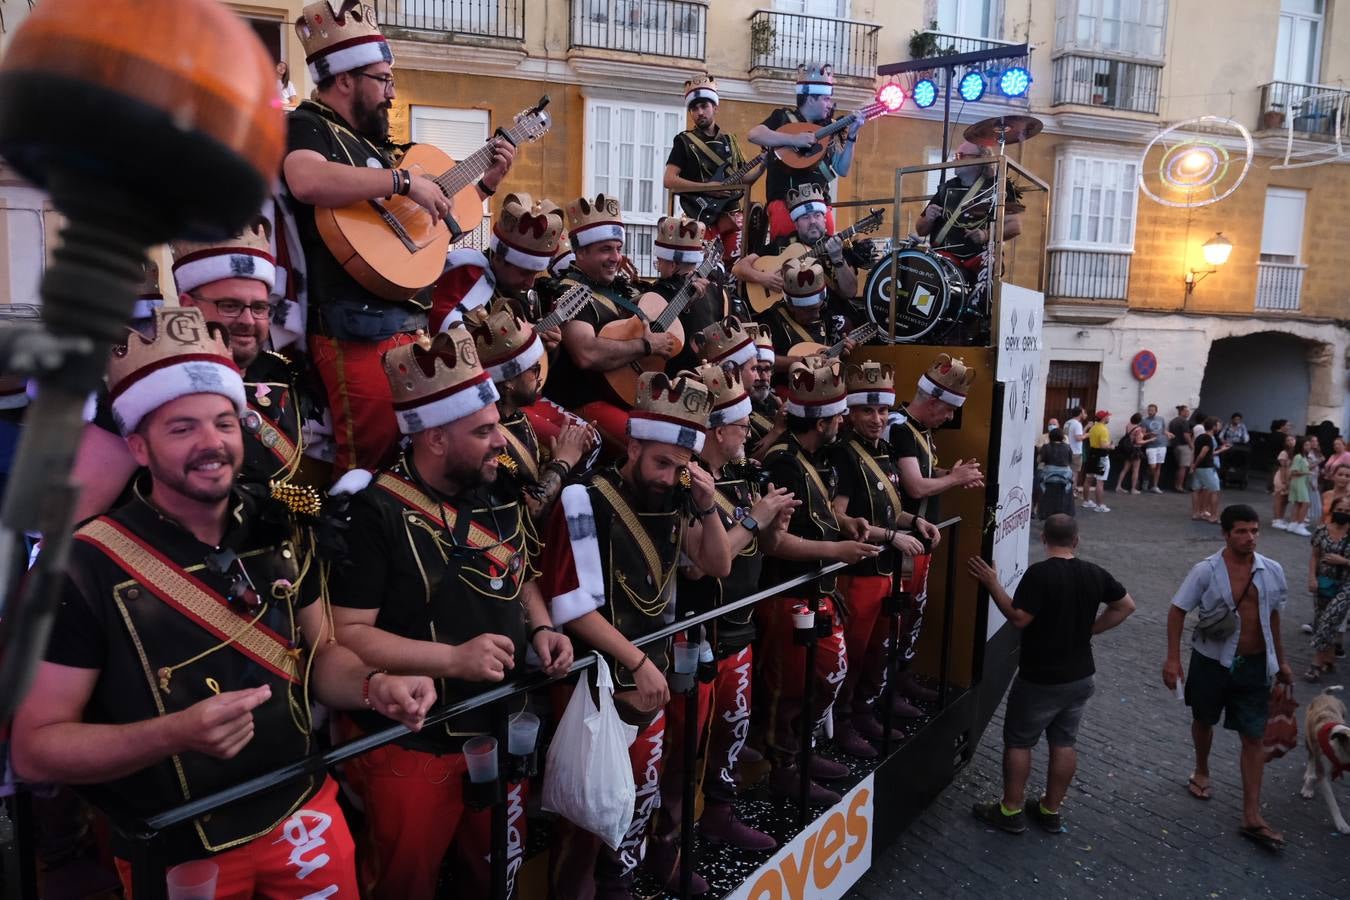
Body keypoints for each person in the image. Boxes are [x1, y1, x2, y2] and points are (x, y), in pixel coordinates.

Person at [9, 308, 435, 897]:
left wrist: (375, 687)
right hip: (180, 848)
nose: (212, 444)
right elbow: (34, 751)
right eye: (181, 428)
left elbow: (323, 657)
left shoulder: (282, 524)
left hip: (302, 815)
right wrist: (173, 734)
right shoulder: (83, 566)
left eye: (224, 424)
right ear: (136, 444)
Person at [326, 327, 572, 899]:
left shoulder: (499, 484)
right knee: (404, 886)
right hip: (414, 746)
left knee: (493, 877)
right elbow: (348, 634)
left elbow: (521, 572)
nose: (501, 443)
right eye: (484, 431)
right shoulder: (372, 511)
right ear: (434, 438)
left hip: (499, 728)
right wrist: (453, 659)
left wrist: (540, 627)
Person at [282, 1, 515, 472]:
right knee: (369, 460)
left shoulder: (383, 148)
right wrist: (404, 183)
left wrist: (485, 185)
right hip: (352, 332)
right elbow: (305, 179)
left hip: (408, 328)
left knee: (413, 460)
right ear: (345, 79)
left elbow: (421, 234)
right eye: (382, 79)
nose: (391, 92)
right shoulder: (307, 125)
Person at [537, 370, 731, 899]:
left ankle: (622, 878)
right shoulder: (584, 499)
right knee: (584, 815)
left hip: (647, 678)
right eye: (661, 462)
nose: (669, 476)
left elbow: (717, 564)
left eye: (681, 465)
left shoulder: (678, 497)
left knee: (637, 794)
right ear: (636, 443)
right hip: (598, 684)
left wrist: (709, 505)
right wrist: (641, 663)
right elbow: (572, 607)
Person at [645, 361, 798, 888]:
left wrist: (773, 521)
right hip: (696, 631)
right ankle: (665, 850)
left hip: (737, 622)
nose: (747, 433)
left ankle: (716, 816)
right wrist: (753, 519)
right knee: (684, 751)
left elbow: (762, 544)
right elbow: (698, 564)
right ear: (714, 428)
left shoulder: (739, 473)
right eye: (740, 425)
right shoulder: (687, 483)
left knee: (727, 731)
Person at [758, 356, 884, 803]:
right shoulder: (784, 462)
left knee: (821, 677)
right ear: (822, 419)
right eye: (837, 415)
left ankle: (799, 755)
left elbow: (821, 513)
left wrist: (846, 524)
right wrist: (840, 551)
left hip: (814, 588)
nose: (842, 421)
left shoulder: (810, 455)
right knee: (791, 687)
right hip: (788, 592)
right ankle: (782, 769)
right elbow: (777, 543)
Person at [967, 515, 1135, 834]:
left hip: (1040, 677)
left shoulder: (1040, 574)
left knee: (1019, 742)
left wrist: (992, 583)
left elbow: (1018, 617)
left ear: (1044, 539)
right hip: (1081, 675)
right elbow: (1126, 606)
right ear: (1076, 540)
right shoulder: (1094, 573)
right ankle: (1050, 809)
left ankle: (1011, 809)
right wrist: (1091, 629)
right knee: (1064, 742)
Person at [1163, 504, 1294, 851]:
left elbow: (1274, 617)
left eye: (1254, 531)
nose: (1249, 537)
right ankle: (1201, 769)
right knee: (1203, 719)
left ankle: (1251, 815)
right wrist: (1173, 659)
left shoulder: (1272, 571)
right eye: (1241, 531)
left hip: (1254, 666)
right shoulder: (1205, 570)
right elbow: (1177, 610)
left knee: (1253, 736)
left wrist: (1281, 661)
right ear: (1225, 533)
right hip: (1210, 661)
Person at [830, 362, 941, 751]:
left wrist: (915, 522)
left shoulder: (887, 449)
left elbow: (888, 505)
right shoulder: (844, 454)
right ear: (852, 413)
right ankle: (843, 722)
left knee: (880, 647)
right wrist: (891, 535)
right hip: (860, 570)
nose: (877, 419)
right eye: (867, 411)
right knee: (854, 654)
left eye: (881, 411)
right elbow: (839, 516)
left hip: (886, 569)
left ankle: (865, 711)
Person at [542, 193, 676, 454]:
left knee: (680, 433)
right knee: (652, 450)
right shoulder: (570, 293)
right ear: (580, 251)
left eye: (617, 248)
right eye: (605, 249)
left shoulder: (614, 291)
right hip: (585, 403)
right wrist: (645, 347)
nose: (616, 257)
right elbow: (586, 354)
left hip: (621, 397)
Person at [887, 354, 984, 708]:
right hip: (900, 541)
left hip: (918, 539)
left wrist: (948, 474)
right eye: (946, 411)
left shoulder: (919, 430)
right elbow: (913, 487)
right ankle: (886, 690)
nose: (950, 418)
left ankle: (901, 678)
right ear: (931, 402)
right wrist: (953, 479)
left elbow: (924, 473)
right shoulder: (899, 428)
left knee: (913, 613)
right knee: (895, 618)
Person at [470, 298, 598, 524]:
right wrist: (563, 462)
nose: (540, 376)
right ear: (508, 382)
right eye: (534, 369)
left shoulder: (514, 414)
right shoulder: (488, 435)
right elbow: (532, 509)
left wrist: (566, 452)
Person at [745, 63, 861, 239]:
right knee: (786, 260)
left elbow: (842, 170)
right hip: (784, 205)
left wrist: (852, 137)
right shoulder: (782, 117)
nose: (830, 105)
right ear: (811, 98)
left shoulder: (829, 128)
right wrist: (793, 139)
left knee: (824, 258)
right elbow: (754, 134)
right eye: (825, 99)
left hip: (820, 208)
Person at [664, 74, 763, 260]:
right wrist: (710, 189)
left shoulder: (731, 141)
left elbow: (743, 180)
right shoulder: (683, 141)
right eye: (694, 108)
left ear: (715, 107)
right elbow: (669, 180)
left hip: (734, 217)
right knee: (704, 271)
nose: (699, 112)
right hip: (701, 218)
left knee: (735, 271)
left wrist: (763, 166)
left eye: (704, 106)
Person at [915, 141, 1023, 285]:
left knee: (990, 262)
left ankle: (979, 304)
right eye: (955, 155)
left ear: (979, 159)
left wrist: (986, 235)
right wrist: (928, 218)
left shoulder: (998, 187)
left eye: (960, 155)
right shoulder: (947, 188)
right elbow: (920, 230)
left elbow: (1015, 226)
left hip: (978, 256)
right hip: (945, 256)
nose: (955, 160)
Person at [644, 214, 723, 375]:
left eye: (659, 261)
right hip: (705, 375)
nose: (658, 268)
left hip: (667, 378)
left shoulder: (659, 292)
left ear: (672, 265)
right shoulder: (715, 291)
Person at [1305, 495, 1350, 681]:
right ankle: (1329, 658)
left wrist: (1344, 561)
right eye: (1340, 510)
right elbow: (1314, 556)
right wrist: (1312, 577)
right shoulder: (1322, 531)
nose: (1343, 514)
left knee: (1330, 618)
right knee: (1322, 619)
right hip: (1323, 581)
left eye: (1347, 512)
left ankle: (1315, 663)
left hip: (1346, 585)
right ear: (1333, 510)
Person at [1190, 416, 1221, 522]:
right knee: (1214, 490)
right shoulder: (1208, 438)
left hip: (1199, 468)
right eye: (1217, 425)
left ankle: (1195, 513)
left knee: (1196, 489)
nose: (1219, 426)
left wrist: (1193, 465)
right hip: (1206, 467)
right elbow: (1202, 454)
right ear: (1213, 427)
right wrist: (1195, 464)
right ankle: (1213, 516)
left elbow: (1196, 452)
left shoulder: (1199, 437)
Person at [1038, 428, 1074, 519]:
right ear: (1062, 437)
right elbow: (1070, 461)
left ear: (1050, 437)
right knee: (1064, 499)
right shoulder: (1067, 447)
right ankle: (1063, 517)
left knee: (1048, 499)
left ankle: (1047, 517)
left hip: (1049, 478)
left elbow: (1039, 460)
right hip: (1065, 478)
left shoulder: (1046, 447)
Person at [1082, 410, 1111, 513]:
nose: (1109, 418)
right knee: (1100, 481)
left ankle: (1086, 501)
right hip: (1101, 456)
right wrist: (1111, 446)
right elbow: (1103, 446)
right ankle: (1099, 505)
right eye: (1108, 416)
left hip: (1092, 454)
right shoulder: (1104, 429)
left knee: (1088, 478)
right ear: (1103, 418)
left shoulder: (1093, 427)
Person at [1114, 412, 1150, 495]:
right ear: (1139, 420)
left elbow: (1132, 436)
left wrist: (1146, 434)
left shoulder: (1128, 425)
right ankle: (1133, 489)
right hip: (1136, 450)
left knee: (1125, 469)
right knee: (1135, 470)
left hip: (1128, 450)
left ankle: (1118, 486)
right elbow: (1138, 441)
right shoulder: (1138, 428)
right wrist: (1150, 440)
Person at [1284, 436, 1313, 536]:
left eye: (1309, 445)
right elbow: (1294, 471)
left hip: (1301, 482)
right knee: (1305, 503)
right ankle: (1300, 525)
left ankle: (1293, 524)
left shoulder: (1303, 457)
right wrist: (1307, 473)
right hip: (1298, 482)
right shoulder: (1298, 457)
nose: (1309, 447)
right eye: (1306, 445)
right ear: (1301, 446)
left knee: (1298, 503)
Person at [1141, 403, 1167, 492]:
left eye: (1152, 410)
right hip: (1151, 446)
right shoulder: (1145, 421)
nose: (1150, 412)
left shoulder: (1161, 419)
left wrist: (1168, 434)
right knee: (1152, 466)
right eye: (1149, 410)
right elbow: (1142, 434)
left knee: (1159, 466)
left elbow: (1163, 430)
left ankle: (1155, 486)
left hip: (1162, 444)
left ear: (1156, 411)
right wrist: (1150, 434)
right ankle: (1146, 479)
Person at [1271, 432, 1294, 529]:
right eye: (1288, 440)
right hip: (1281, 478)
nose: (1290, 442)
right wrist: (1284, 481)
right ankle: (1276, 519)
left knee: (1285, 500)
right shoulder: (1284, 453)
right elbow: (1283, 468)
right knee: (1279, 498)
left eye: (1292, 439)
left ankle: (1281, 517)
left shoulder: (1295, 453)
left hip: (1290, 478)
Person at [1169, 404, 1193, 492]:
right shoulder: (1184, 421)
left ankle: (1177, 485)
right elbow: (1186, 435)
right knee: (1183, 467)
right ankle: (1179, 486)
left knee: (1179, 467)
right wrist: (1191, 446)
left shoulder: (1173, 421)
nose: (1188, 413)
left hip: (1175, 446)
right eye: (1186, 411)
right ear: (1182, 412)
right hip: (1184, 447)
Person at [1064, 406, 1086, 496]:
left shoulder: (1067, 423)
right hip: (1075, 452)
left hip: (1067, 449)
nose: (1085, 414)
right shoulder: (1077, 424)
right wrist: (1088, 435)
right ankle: (1072, 491)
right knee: (1074, 473)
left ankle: (1067, 489)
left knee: (1067, 471)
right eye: (1084, 412)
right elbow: (1078, 437)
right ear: (1080, 413)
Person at [1306, 435, 1325, 526]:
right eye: (1313, 441)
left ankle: (1305, 517)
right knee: (1308, 498)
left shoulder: (1315, 452)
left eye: (1316, 441)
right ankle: (1303, 517)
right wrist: (1319, 461)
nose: (1315, 443)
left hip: (1314, 478)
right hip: (1308, 478)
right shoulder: (1308, 453)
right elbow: (1307, 467)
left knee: (1312, 498)